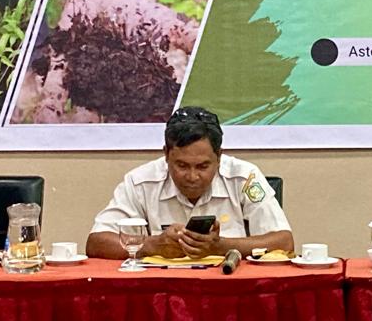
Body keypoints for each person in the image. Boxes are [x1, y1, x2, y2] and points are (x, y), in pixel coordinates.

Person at [87, 106, 294, 259]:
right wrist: (152, 245)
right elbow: (96, 243)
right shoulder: (141, 182)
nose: (193, 177)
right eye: (182, 166)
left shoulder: (244, 177)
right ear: (166, 154)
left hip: (228, 291)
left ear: (219, 157)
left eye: (203, 166)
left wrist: (220, 246)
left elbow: (284, 242)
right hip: (163, 293)